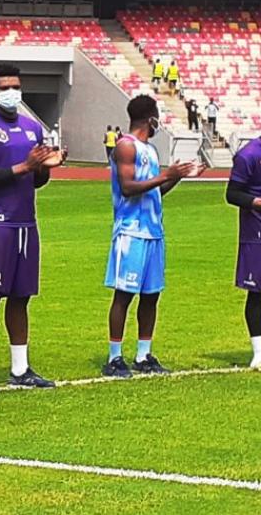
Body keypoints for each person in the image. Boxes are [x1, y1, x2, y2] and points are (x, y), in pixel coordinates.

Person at [0, 64, 65, 393]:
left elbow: (37, 180)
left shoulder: (32, 127)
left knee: (22, 296)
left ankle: (20, 368)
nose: (12, 92)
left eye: (16, 86)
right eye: (6, 87)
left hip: (26, 221)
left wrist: (44, 167)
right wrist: (24, 165)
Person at [103, 95, 206, 378]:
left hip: (153, 231)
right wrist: (166, 175)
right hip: (131, 231)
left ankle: (143, 354)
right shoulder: (125, 146)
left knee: (151, 295)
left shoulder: (149, 149)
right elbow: (127, 187)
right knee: (124, 294)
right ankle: (114, 357)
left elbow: (153, 192)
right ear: (150, 118)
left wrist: (177, 176)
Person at [226, 137, 261, 368]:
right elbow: (232, 194)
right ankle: (259, 352)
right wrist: (257, 201)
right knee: (258, 293)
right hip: (256, 232)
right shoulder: (249, 154)